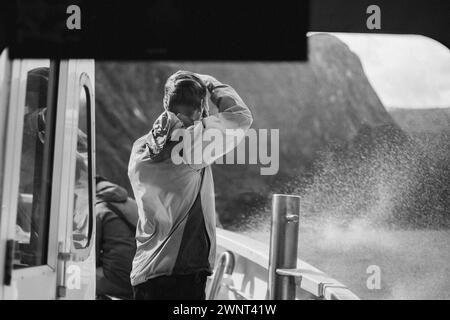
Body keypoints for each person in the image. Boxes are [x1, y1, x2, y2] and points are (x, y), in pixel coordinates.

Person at [128, 70, 253, 300]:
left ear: (166, 104)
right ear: (200, 109)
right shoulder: (192, 144)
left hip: (144, 274)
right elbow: (240, 116)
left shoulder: (139, 148)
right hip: (181, 278)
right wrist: (210, 83)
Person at [95, 176, 138, 300]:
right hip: (141, 277)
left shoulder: (99, 209)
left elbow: (92, 257)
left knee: (77, 279)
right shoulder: (132, 203)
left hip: (119, 279)